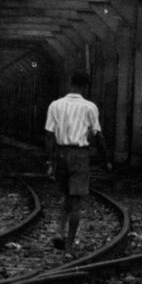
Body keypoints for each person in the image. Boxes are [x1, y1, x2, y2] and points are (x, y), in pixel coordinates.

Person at [43, 71, 111, 250]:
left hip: (61, 153)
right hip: (80, 155)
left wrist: (50, 161)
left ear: (70, 83)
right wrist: (106, 160)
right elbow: (98, 135)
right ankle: (70, 245)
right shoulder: (90, 107)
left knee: (66, 195)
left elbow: (49, 135)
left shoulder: (55, 105)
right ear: (85, 87)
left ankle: (59, 231)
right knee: (76, 202)